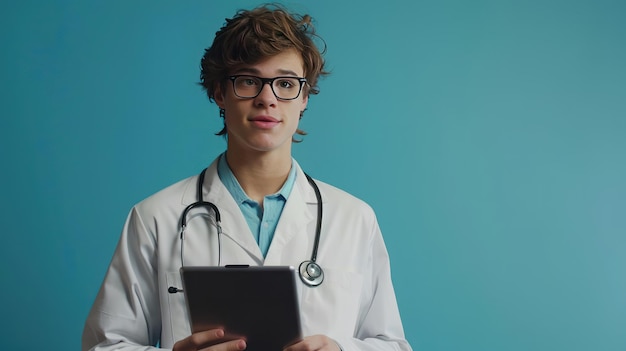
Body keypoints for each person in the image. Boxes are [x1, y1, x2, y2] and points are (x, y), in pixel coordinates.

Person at [82, 4, 412, 351]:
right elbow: (104, 345)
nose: (267, 99)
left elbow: (392, 344)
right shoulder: (155, 218)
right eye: (249, 81)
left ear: (303, 98)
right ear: (219, 93)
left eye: (285, 83)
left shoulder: (354, 219)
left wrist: (342, 350)